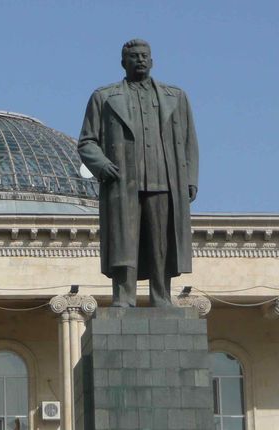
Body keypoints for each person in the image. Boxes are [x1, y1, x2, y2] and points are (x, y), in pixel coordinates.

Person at [78, 38, 199, 307]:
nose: (140, 60)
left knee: (161, 243)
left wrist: (190, 179)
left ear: (152, 61)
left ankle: (161, 296)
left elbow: (189, 140)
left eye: (145, 55)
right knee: (125, 242)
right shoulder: (105, 97)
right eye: (134, 56)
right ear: (124, 62)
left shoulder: (175, 97)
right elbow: (87, 141)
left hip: (164, 181)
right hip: (123, 182)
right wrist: (101, 164)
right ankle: (124, 297)